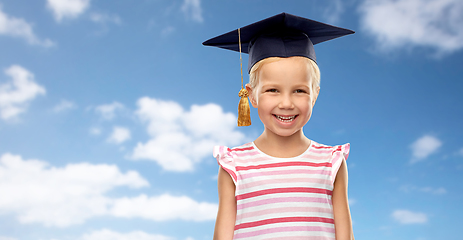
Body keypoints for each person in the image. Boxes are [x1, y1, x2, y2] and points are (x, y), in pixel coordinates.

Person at [203, 13, 355, 240]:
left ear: (315, 95)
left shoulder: (331, 162)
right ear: (251, 96)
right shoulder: (233, 165)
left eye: (300, 90)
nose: (286, 103)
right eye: (273, 90)